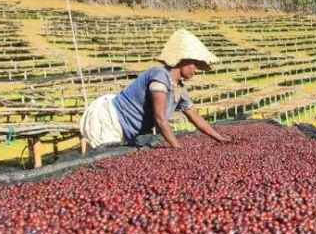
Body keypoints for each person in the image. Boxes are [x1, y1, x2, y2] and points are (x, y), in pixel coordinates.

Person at [80, 29, 229, 149]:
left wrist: (220, 139)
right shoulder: (160, 75)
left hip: (129, 129)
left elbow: (196, 118)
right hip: (110, 120)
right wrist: (178, 148)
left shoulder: (180, 90)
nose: (196, 70)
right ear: (184, 60)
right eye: (196, 65)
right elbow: (160, 118)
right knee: (107, 163)